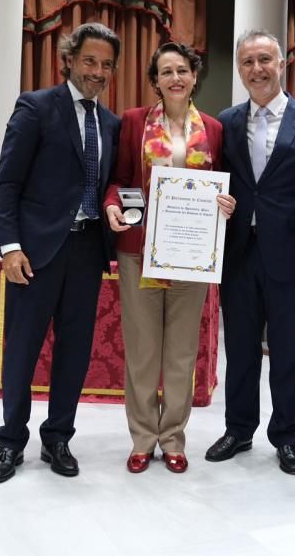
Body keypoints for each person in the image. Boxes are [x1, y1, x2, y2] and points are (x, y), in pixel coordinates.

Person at [0, 22, 122, 484]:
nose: (97, 71)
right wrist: (9, 246)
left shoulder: (111, 123)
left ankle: (58, 436)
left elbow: (110, 189)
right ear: (69, 59)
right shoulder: (36, 107)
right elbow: (7, 185)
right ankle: (10, 442)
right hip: (35, 251)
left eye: (106, 64)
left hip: (87, 251)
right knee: (22, 349)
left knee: (75, 350)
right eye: (89, 61)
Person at [205, 29, 295, 476]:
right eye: (248, 62)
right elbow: (220, 183)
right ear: (240, 70)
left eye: (265, 60)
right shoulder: (227, 120)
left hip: (293, 256)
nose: (257, 69)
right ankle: (239, 429)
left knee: (286, 354)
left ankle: (287, 439)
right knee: (239, 351)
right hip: (239, 253)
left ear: (282, 64)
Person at [104, 43, 234, 474]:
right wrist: (112, 206)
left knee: (181, 352)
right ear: (155, 80)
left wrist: (227, 204)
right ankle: (143, 438)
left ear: (195, 76)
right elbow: (119, 178)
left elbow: (224, 186)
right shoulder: (134, 122)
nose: (175, 78)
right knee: (142, 351)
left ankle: (173, 439)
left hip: (193, 256)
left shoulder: (214, 129)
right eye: (166, 71)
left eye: (182, 70)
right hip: (140, 253)